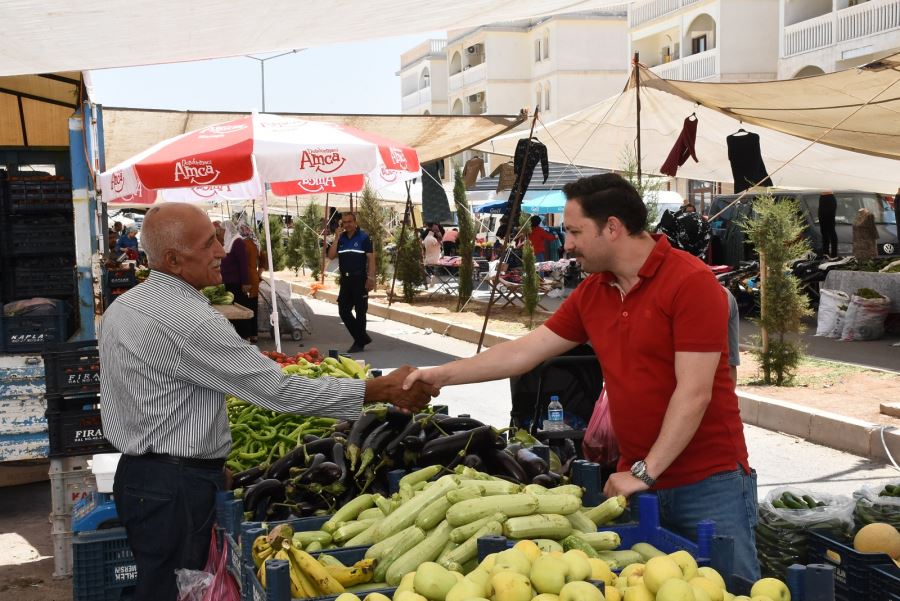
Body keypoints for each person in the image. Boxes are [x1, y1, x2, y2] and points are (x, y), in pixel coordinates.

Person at [402, 173, 760, 581]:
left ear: (612, 227)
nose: (567, 243)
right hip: (637, 481)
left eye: (574, 231)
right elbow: (523, 352)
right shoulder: (595, 292)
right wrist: (439, 375)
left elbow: (694, 392)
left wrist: (644, 472)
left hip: (707, 482)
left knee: (736, 588)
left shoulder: (691, 284)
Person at [99, 203, 436, 601]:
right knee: (177, 591)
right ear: (173, 259)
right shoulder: (189, 319)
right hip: (175, 488)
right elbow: (276, 390)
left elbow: (154, 399)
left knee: (161, 584)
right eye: (209, 244)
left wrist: (205, 463)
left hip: (140, 477)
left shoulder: (125, 307)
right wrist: (375, 391)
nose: (222, 252)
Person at [327, 212, 375, 353]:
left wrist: (371, 278)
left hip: (360, 279)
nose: (347, 225)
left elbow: (371, 259)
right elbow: (330, 255)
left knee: (361, 311)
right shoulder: (341, 238)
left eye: (349, 222)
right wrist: (336, 238)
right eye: (344, 222)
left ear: (355, 222)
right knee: (343, 310)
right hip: (345, 280)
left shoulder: (364, 237)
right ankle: (362, 337)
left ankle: (359, 343)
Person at [220, 221, 253, 338]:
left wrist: (245, 282)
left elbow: (243, 264)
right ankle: (234, 335)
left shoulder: (237, 242)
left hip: (237, 282)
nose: (221, 233)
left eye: (222, 231)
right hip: (228, 282)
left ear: (228, 231)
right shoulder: (228, 243)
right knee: (232, 310)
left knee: (239, 310)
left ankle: (243, 335)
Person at [239, 218, 265, 343]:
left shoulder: (241, 243)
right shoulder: (255, 243)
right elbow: (263, 258)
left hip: (245, 279)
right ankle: (254, 333)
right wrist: (259, 271)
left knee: (245, 306)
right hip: (254, 278)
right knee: (253, 306)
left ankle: (247, 334)